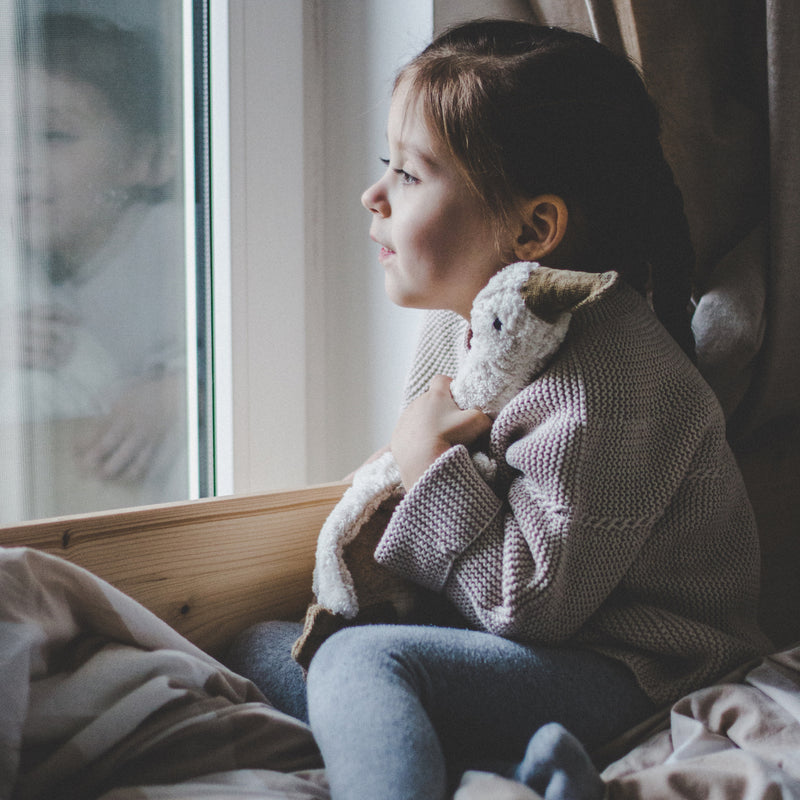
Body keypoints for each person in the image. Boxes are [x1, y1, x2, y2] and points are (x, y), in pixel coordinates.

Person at [226, 20, 771, 799]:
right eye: (389, 165)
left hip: (633, 669)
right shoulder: (464, 326)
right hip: (516, 645)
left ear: (532, 230)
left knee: (359, 663)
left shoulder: (612, 382)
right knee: (264, 645)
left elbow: (528, 605)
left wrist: (427, 466)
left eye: (411, 176)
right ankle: (506, 773)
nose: (373, 195)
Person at [3, 12, 187, 517]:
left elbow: (257, 356)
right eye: (6, 132)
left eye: (53, 135)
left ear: (150, 160)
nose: (16, 158)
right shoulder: (19, 260)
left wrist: (176, 394)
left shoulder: (176, 245)